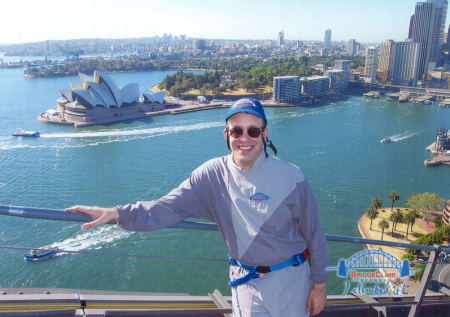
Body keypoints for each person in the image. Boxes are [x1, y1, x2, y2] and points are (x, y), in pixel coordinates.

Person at [66, 98, 329, 316]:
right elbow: (166, 208)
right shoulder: (211, 175)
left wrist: (319, 285)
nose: (244, 138)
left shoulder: (292, 177)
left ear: (264, 134)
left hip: (290, 280)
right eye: (237, 130)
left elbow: (314, 234)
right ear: (226, 135)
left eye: (253, 130)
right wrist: (117, 214)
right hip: (245, 282)